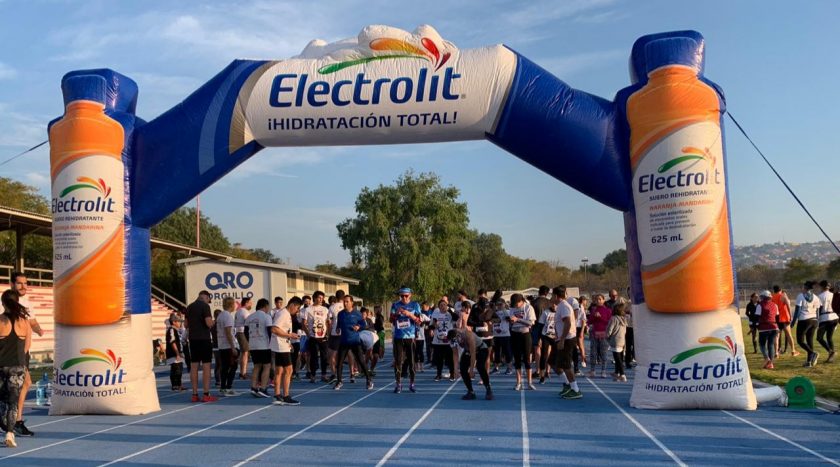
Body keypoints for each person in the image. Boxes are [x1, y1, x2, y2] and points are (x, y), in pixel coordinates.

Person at [10, 272, 41, 438]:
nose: (23, 286)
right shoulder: (5, 302)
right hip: (9, 350)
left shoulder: (27, 303)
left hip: (23, 350)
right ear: (12, 284)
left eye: (25, 283)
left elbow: (32, 321)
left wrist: (39, 329)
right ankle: (15, 421)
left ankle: (16, 421)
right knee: (17, 384)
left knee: (25, 383)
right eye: (19, 283)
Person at [0, 289, 32, 447]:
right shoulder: (24, 322)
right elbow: (27, 347)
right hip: (17, 367)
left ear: (3, 303)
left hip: (1, 365)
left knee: (2, 399)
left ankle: (4, 424)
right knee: (13, 402)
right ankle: (10, 433)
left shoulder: (0, 321)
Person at [334, 295, 373, 390]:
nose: (345, 303)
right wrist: (338, 329)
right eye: (344, 301)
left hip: (355, 341)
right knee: (339, 363)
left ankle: (369, 380)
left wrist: (358, 327)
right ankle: (339, 381)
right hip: (344, 341)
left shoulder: (357, 314)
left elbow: (363, 324)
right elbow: (338, 325)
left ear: (352, 303)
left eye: (347, 301)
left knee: (361, 361)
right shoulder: (340, 314)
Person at [185, 291, 218, 402]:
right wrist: (213, 322)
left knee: (194, 366)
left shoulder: (189, 307)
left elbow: (186, 324)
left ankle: (194, 394)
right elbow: (208, 323)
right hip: (204, 339)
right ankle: (206, 393)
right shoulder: (205, 306)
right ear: (206, 297)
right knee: (206, 366)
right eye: (209, 300)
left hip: (193, 339)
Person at [271, 297, 302, 405]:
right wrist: (289, 335)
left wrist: (289, 341)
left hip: (282, 344)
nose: (297, 311)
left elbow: (282, 329)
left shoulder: (286, 314)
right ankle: (286, 396)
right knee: (289, 370)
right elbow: (274, 329)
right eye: (297, 308)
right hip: (281, 345)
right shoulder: (283, 314)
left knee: (279, 370)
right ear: (292, 305)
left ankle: (277, 395)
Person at [552, 286, 581, 399]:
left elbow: (568, 323)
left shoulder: (564, 306)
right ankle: (568, 384)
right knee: (554, 362)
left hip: (567, 339)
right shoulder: (561, 306)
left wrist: (562, 339)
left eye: (552, 296)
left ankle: (575, 389)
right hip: (562, 338)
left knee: (566, 365)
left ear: (555, 296)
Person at [390, 287, 421, 393]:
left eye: (406, 296)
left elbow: (419, 321)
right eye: (402, 296)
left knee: (411, 361)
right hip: (398, 337)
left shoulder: (415, 305)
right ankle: (398, 384)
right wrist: (396, 314)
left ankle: (412, 383)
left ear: (410, 295)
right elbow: (391, 320)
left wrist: (410, 315)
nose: (404, 298)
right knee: (398, 361)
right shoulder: (395, 305)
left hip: (410, 337)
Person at [448, 328, 493, 400]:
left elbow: (473, 354)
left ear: (459, 335)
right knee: (463, 369)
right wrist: (455, 369)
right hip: (468, 350)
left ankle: (488, 389)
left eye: (458, 340)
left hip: (481, 349)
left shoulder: (469, 335)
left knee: (480, 366)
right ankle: (471, 391)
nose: (458, 342)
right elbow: (455, 354)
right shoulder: (451, 339)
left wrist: (471, 370)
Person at [246, 299, 273, 398]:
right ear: (265, 306)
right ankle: (263, 388)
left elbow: (245, 332)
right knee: (266, 366)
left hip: (253, 345)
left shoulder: (250, 317)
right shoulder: (267, 317)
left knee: (256, 366)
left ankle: (253, 387)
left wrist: (250, 342)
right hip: (264, 345)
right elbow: (270, 332)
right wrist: (272, 344)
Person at [509, 293, 536, 391]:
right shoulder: (512, 308)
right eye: (513, 304)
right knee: (517, 359)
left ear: (521, 301)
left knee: (527, 359)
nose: (515, 305)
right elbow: (511, 321)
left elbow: (531, 323)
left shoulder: (528, 308)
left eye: (516, 303)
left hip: (525, 334)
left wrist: (518, 319)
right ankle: (518, 382)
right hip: (515, 334)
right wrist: (511, 321)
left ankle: (529, 383)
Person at [302, 291, 331, 383]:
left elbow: (328, 322)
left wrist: (328, 333)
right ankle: (313, 375)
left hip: (323, 336)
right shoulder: (308, 309)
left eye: (322, 298)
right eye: (319, 298)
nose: (321, 300)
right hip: (313, 336)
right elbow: (303, 324)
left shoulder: (325, 309)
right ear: (314, 298)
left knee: (324, 356)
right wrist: (308, 334)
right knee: (313, 357)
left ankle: (324, 375)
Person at [794, 281, 821, 367]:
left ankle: (812, 353)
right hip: (814, 320)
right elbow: (818, 312)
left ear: (805, 287)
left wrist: (793, 322)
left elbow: (797, 311)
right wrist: (817, 322)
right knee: (809, 341)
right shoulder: (816, 297)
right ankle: (809, 362)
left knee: (800, 341)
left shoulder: (800, 296)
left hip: (804, 320)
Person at [216, 297, 238, 396]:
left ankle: (224, 387)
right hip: (227, 346)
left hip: (222, 345)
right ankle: (227, 387)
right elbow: (228, 332)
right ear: (231, 305)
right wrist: (233, 347)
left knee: (225, 367)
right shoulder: (228, 316)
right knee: (232, 366)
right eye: (234, 304)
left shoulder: (220, 315)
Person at [431, 299, 457, 381]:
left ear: (447, 306)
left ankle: (452, 374)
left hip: (448, 341)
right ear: (438, 307)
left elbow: (456, 318)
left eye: (444, 305)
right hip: (438, 341)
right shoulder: (436, 314)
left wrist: (450, 310)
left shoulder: (450, 314)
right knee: (439, 359)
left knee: (449, 359)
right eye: (441, 305)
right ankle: (438, 375)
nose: (443, 307)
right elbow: (432, 325)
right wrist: (435, 325)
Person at [587, 294, 612, 378]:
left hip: (604, 334)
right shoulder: (593, 310)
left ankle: (603, 371)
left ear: (604, 300)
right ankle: (592, 370)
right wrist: (594, 317)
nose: (598, 301)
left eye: (600, 299)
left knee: (603, 353)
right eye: (597, 299)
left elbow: (609, 322)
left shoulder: (608, 310)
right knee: (593, 353)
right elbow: (589, 322)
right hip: (594, 334)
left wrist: (600, 317)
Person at [772, 286, 798, 356]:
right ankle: (793, 351)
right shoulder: (783, 296)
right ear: (780, 290)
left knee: (776, 336)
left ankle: (776, 352)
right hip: (784, 317)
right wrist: (790, 315)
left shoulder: (772, 296)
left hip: (776, 317)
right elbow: (788, 305)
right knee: (789, 334)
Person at [756, 290, 779, 369]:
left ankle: (767, 358)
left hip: (764, 327)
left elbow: (757, 317)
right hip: (774, 327)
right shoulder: (775, 305)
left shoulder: (760, 305)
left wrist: (755, 326)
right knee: (771, 345)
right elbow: (777, 316)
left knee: (762, 344)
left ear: (763, 297)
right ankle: (771, 364)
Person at [816, 280, 837, 363]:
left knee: (819, 338)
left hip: (825, 318)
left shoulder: (820, 296)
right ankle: (831, 357)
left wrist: (817, 319)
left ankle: (831, 352)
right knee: (829, 338)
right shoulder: (833, 295)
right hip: (834, 317)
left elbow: (819, 309)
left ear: (822, 287)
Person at [537, 298, 557, 384]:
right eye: (552, 303)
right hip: (546, 335)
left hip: (556, 336)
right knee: (544, 355)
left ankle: (550, 370)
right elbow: (540, 326)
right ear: (549, 304)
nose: (554, 305)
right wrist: (539, 339)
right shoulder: (546, 312)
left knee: (556, 356)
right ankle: (542, 376)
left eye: (556, 304)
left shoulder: (560, 312)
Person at [327, 290, 346, 382]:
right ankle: (353, 372)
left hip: (335, 333)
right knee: (348, 353)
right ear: (344, 296)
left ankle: (334, 373)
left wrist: (328, 333)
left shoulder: (332, 307)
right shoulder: (347, 306)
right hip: (345, 333)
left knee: (332, 355)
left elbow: (329, 322)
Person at [607, 302, 628, 382]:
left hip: (615, 340)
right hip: (622, 340)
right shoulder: (624, 319)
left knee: (617, 358)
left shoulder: (613, 319)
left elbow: (610, 329)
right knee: (620, 357)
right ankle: (617, 372)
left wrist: (607, 336)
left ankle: (622, 374)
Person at [234, 297, 254, 380]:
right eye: (250, 303)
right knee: (245, 353)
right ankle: (243, 373)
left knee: (243, 353)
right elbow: (249, 322)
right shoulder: (244, 311)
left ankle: (242, 372)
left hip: (239, 332)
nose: (251, 305)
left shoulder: (239, 311)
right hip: (242, 332)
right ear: (246, 303)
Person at [491, 300, 512, 375]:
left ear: (504, 304)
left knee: (507, 352)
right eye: (498, 304)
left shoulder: (508, 312)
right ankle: (496, 368)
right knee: (497, 352)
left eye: (500, 304)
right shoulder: (495, 312)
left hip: (505, 335)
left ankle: (509, 368)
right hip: (496, 335)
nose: (499, 306)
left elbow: (509, 319)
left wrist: (503, 309)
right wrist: (494, 308)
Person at [166, 315, 186, 391]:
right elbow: (172, 342)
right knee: (176, 369)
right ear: (174, 322)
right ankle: (175, 385)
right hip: (173, 353)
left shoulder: (177, 330)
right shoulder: (171, 330)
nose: (180, 323)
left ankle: (179, 384)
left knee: (179, 369)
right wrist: (177, 353)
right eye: (179, 322)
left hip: (178, 353)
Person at [573, 296, 588, 374]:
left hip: (579, 327)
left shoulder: (580, 308)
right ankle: (581, 359)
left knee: (580, 344)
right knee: (576, 345)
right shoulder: (576, 308)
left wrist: (582, 331)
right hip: (574, 327)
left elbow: (583, 320)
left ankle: (583, 359)